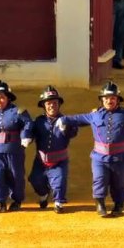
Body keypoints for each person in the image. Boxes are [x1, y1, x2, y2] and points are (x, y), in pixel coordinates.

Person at [56, 81, 124, 217]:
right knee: (99, 179)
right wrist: (63, 120)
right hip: (98, 157)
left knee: (119, 183)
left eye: (113, 98)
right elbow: (77, 118)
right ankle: (100, 204)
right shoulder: (94, 115)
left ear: (118, 100)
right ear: (102, 100)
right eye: (106, 98)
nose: (109, 101)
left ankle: (118, 205)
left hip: (120, 157)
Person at [0, 80, 33, 213]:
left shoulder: (18, 111)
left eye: (2, 97)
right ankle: (0, 201)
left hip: (14, 150)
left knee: (16, 176)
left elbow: (28, 123)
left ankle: (17, 200)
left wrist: (25, 136)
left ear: (8, 97)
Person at [28, 86, 78, 214]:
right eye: (49, 103)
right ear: (44, 106)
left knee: (59, 181)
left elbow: (73, 133)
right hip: (41, 161)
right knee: (35, 179)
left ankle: (58, 202)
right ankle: (44, 194)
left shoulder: (66, 120)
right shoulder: (39, 121)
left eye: (55, 103)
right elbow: (30, 132)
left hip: (59, 161)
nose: (52, 106)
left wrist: (66, 128)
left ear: (59, 104)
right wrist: (27, 137)